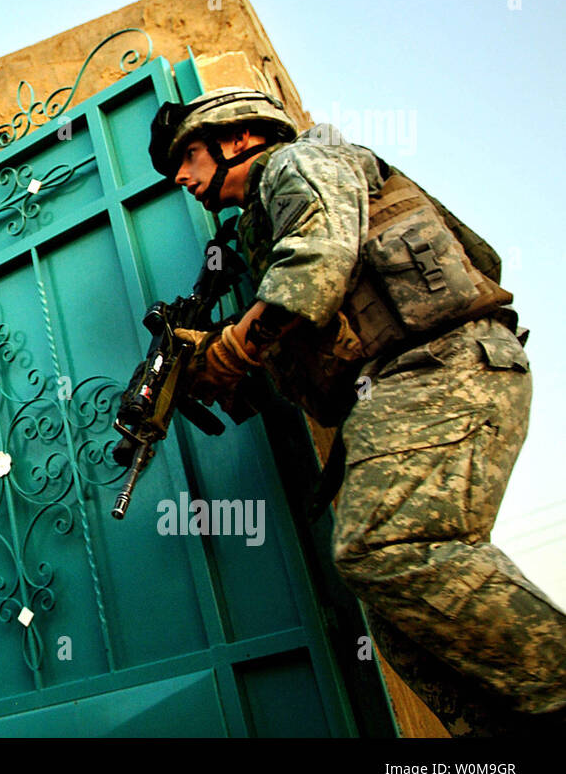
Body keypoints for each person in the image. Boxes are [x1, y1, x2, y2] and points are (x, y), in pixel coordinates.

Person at [147, 85, 566, 736]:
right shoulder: (265, 222)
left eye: (189, 155)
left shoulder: (297, 164)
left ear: (237, 139)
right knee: (402, 623)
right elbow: (321, 332)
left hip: (440, 365)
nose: (181, 176)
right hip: (405, 382)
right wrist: (232, 371)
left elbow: (316, 264)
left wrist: (231, 349)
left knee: (387, 542)